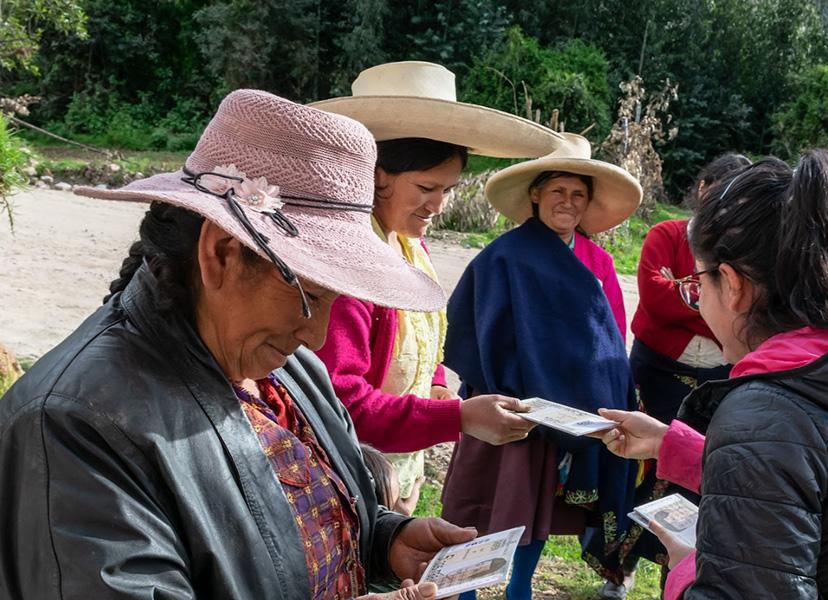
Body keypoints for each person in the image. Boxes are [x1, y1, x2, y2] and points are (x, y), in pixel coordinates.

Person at [0, 90, 479, 599]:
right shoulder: (73, 425)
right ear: (223, 254)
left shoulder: (286, 368)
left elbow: (291, 521)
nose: (317, 335)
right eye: (310, 296)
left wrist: (385, 539)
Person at [597, 151, 828, 599]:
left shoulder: (767, 411)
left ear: (734, 285)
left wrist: (687, 573)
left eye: (698, 284)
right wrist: (675, 446)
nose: (697, 299)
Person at [311, 61, 558, 514]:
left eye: (447, 189)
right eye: (427, 187)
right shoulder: (348, 261)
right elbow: (338, 401)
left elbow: (422, 338)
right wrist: (458, 417)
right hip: (344, 479)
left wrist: (436, 385)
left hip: (396, 468)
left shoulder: (409, 242)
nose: (439, 205)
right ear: (377, 173)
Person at [439, 133, 643, 600]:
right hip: (510, 410)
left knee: (536, 511)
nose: (567, 203)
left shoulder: (597, 262)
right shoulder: (505, 256)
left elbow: (607, 338)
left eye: (578, 195)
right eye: (558, 192)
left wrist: (606, 394)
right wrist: (509, 395)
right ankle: (465, 592)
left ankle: (520, 590)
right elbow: (477, 327)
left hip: (566, 413)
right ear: (535, 194)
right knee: (487, 503)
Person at [622, 152, 748, 592]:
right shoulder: (667, 234)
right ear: (701, 189)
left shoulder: (742, 254)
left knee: (693, 480)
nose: (725, 207)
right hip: (657, 372)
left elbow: (737, 311)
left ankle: (678, 572)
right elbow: (655, 300)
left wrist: (685, 295)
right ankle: (621, 566)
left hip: (715, 380)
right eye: (719, 193)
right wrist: (709, 306)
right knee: (640, 469)